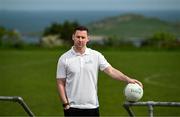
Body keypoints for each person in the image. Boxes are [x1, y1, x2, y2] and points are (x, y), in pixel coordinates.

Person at [56, 26, 143, 116]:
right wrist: (65, 104)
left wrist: (127, 79)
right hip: (72, 108)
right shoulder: (64, 58)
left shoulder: (96, 55)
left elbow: (111, 70)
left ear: (88, 39)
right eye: (78, 37)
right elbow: (60, 82)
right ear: (73, 37)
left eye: (83, 37)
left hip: (92, 107)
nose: (80, 40)